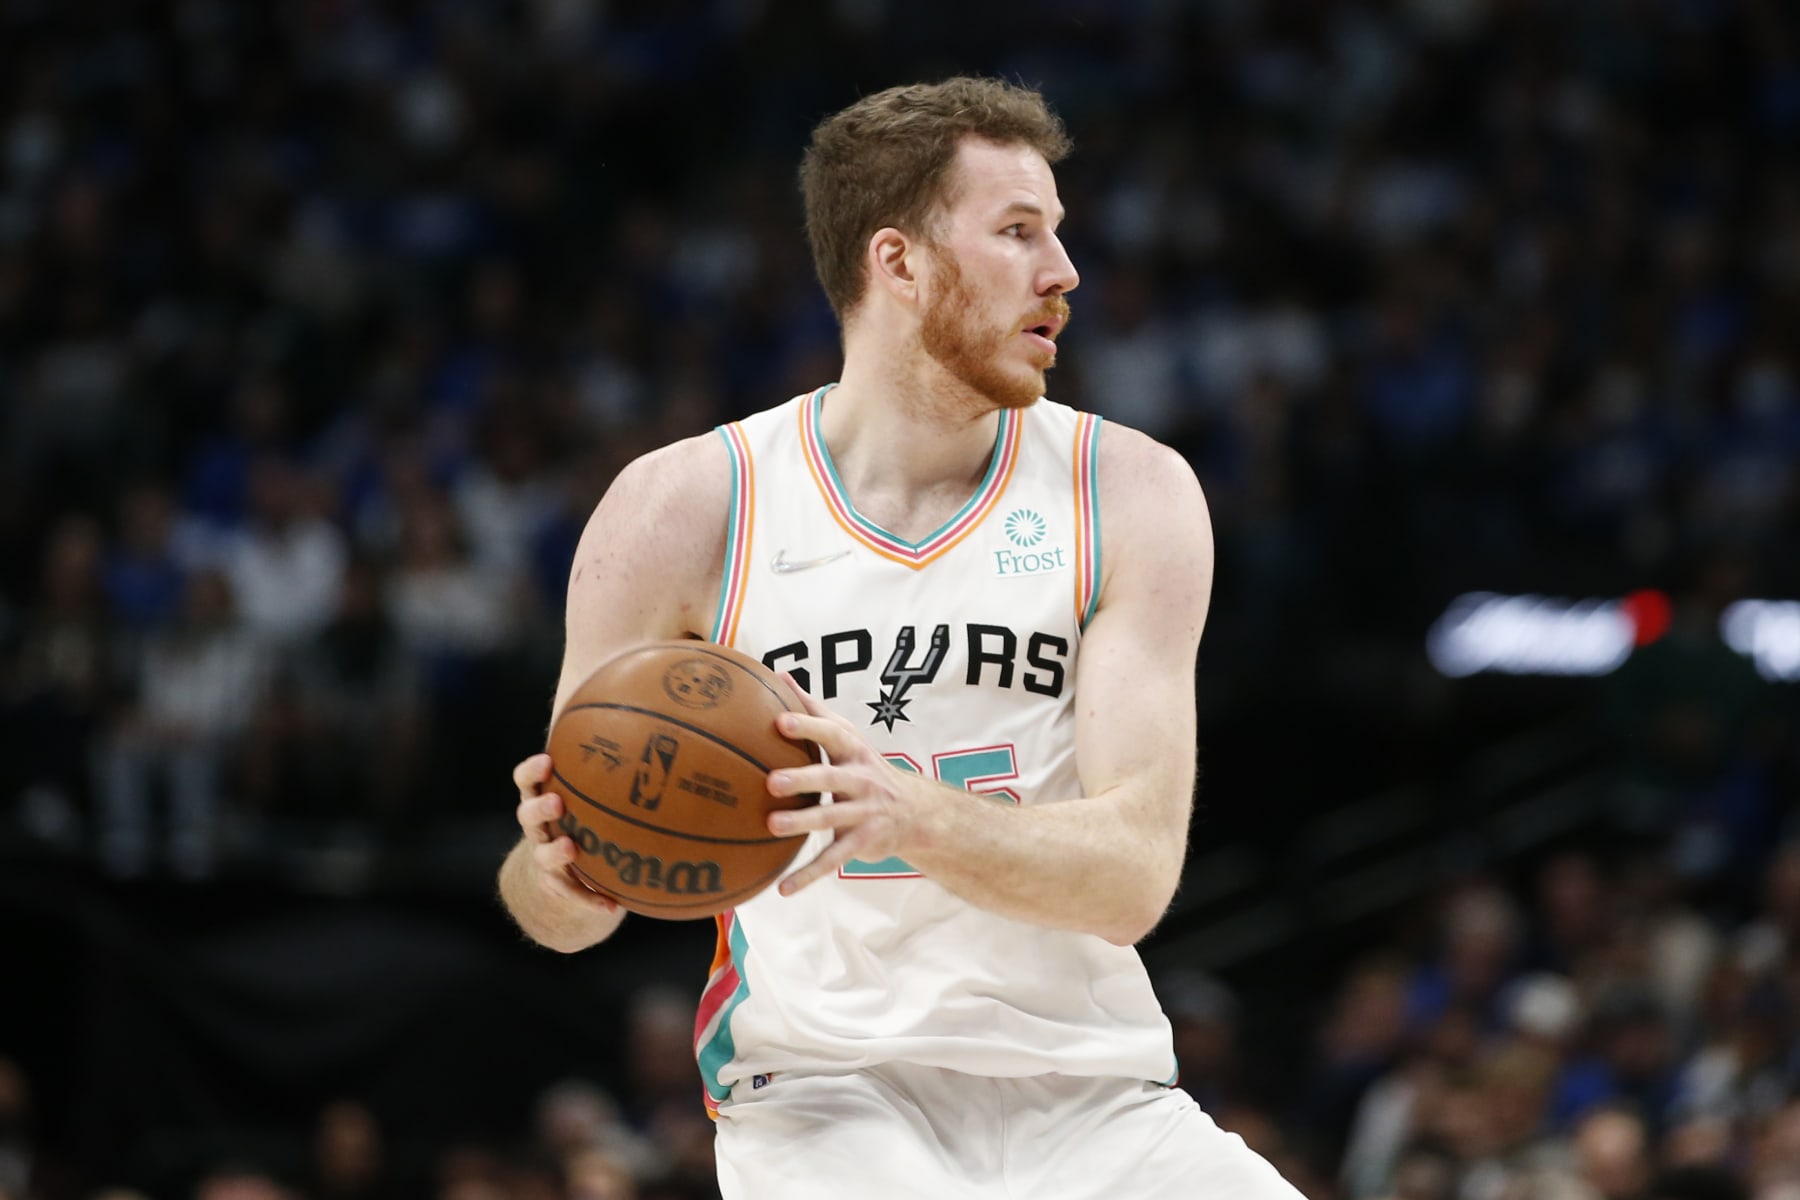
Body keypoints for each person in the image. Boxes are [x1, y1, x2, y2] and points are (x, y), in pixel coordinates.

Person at [497, 76, 1302, 1198]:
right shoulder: (683, 509)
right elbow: (560, 907)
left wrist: (908, 812)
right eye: (1018, 232)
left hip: (1096, 1093)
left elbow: (1133, 875)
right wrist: (560, 875)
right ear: (899, 262)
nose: (1064, 271)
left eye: (1057, 232)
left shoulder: (1129, 492)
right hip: (823, 1091)